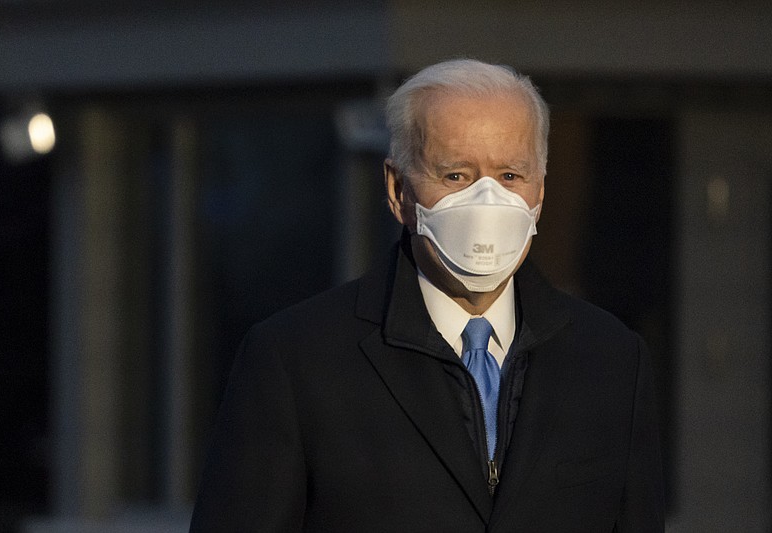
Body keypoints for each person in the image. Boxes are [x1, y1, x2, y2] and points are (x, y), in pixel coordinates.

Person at [190, 59, 664, 532]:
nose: (487, 202)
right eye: (456, 176)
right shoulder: (295, 363)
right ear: (398, 190)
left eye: (510, 177)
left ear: (540, 190)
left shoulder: (612, 361)